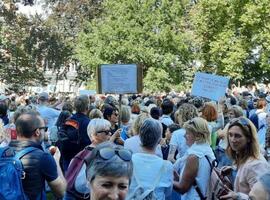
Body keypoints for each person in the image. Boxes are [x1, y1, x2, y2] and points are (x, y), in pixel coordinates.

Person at [8, 112, 66, 199]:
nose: (46, 132)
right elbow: (62, 192)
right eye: (45, 129)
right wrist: (56, 161)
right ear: (38, 132)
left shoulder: (3, 152)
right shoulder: (43, 157)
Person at [64, 118, 120, 200]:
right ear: (95, 135)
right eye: (107, 132)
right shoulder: (99, 155)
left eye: (110, 131)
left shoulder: (85, 151)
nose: (110, 134)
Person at [220, 117, 270, 199]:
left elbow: (261, 197)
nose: (233, 140)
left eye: (238, 136)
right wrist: (233, 170)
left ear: (249, 139)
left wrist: (237, 196)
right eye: (230, 135)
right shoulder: (241, 155)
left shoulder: (256, 165)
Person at [126, 118, 173, 199]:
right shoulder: (167, 166)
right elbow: (168, 193)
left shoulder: (127, 161)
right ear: (159, 140)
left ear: (140, 137)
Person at [173, 117, 215, 200]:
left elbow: (183, 188)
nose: (184, 136)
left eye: (188, 133)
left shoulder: (194, 156)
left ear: (198, 135)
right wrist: (177, 177)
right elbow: (198, 180)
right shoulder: (207, 150)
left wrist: (166, 180)